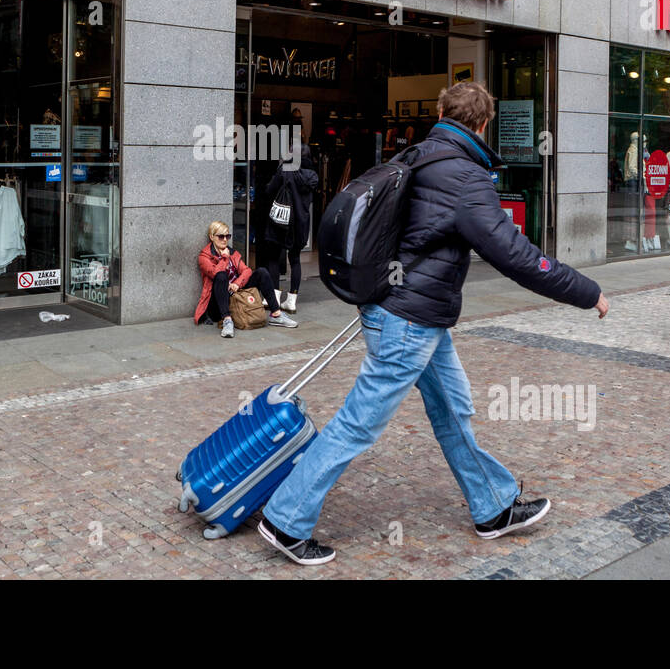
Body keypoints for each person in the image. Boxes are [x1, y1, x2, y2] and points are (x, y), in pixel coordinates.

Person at [257, 82, 609, 566]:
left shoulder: (419, 156)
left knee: (453, 409)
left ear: (442, 112)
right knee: (358, 424)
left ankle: (492, 507)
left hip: (411, 314)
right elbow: (514, 254)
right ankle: (285, 520)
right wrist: (587, 292)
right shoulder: (465, 177)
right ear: (483, 124)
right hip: (408, 320)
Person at [194, 221, 297, 337]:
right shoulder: (204, 257)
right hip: (218, 302)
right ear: (211, 237)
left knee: (262, 272)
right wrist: (224, 258)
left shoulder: (232, 252)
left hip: (235, 292)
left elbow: (246, 270)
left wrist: (237, 283)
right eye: (221, 236)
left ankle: (276, 314)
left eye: (227, 236)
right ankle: (227, 321)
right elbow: (215, 273)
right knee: (221, 276)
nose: (224, 240)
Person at [259, 140, 318, 313]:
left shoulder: (285, 169)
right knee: (295, 259)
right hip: (301, 223)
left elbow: (270, 190)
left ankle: (274, 298)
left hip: (282, 221)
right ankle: (291, 301)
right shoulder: (313, 176)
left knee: (274, 257)